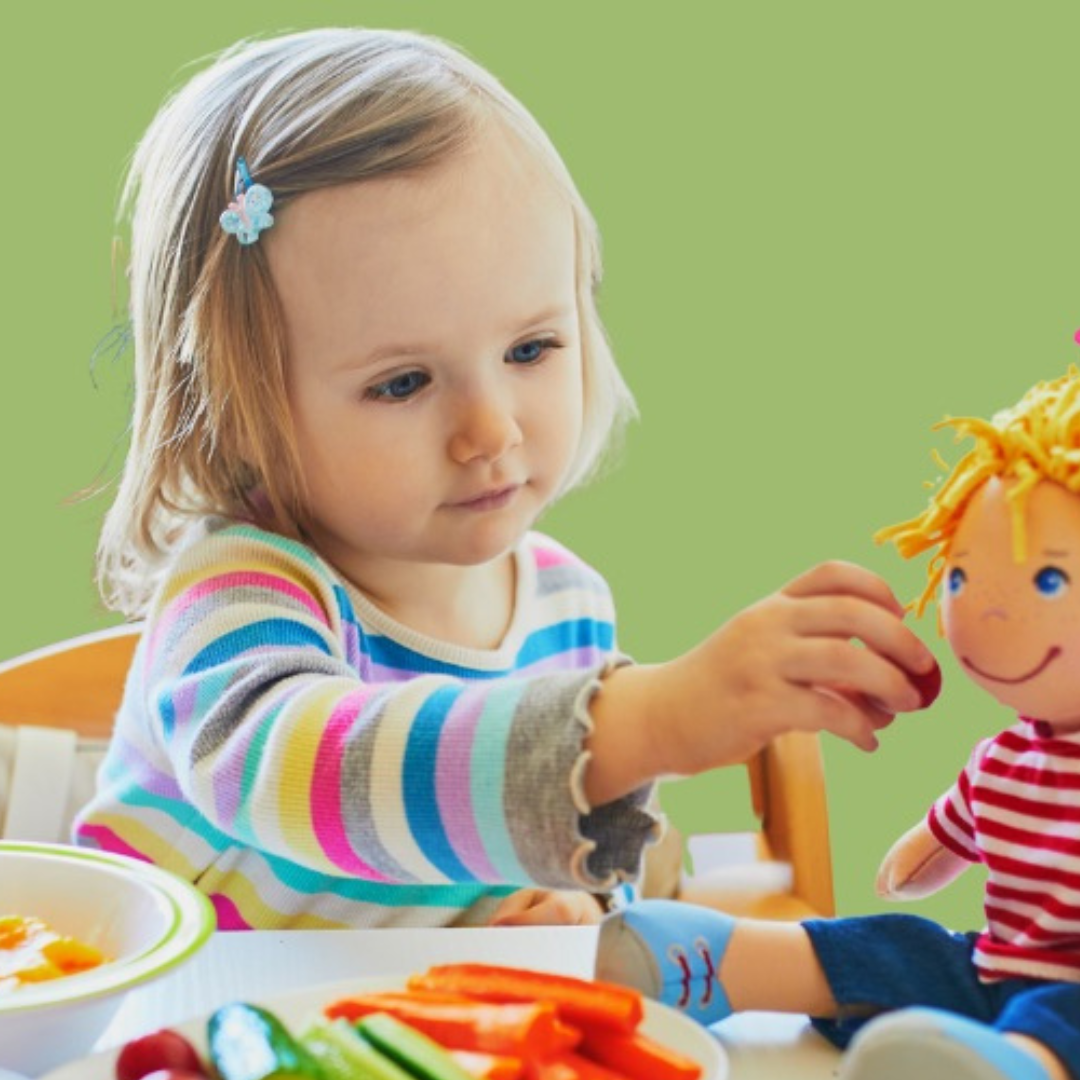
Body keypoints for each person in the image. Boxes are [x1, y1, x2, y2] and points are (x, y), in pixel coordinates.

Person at [75, 27, 936, 931]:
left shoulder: (568, 603)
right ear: (241, 403)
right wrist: (647, 720)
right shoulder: (237, 596)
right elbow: (303, 775)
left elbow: (570, 834)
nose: (490, 430)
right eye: (402, 382)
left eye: (530, 348)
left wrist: (576, 899)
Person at [597, 367, 1080, 1080]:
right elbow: (943, 841)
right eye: (960, 577)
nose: (985, 610)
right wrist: (914, 861)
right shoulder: (1002, 760)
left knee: (1064, 1017)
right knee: (895, 946)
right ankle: (723, 961)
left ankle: (1018, 1066)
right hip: (990, 964)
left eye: (1047, 580)